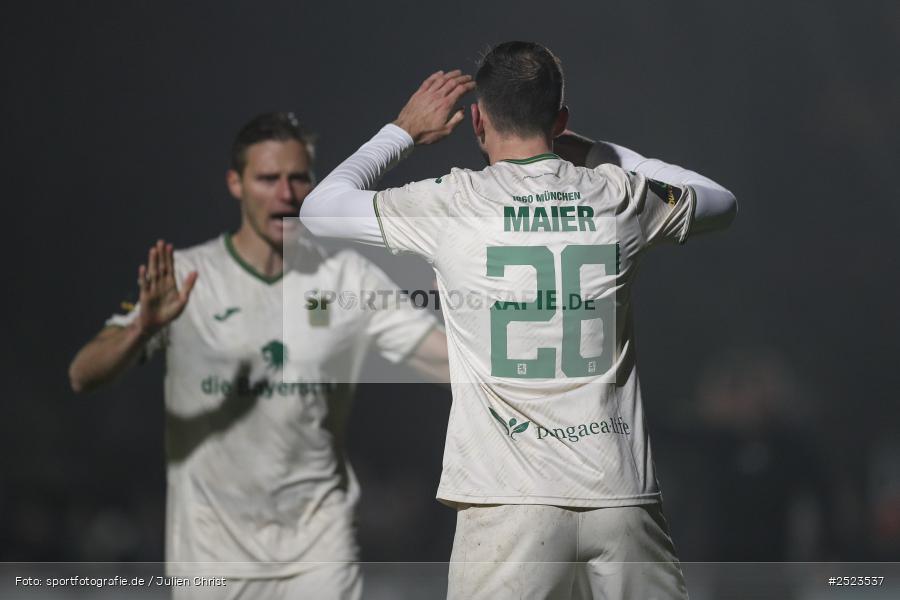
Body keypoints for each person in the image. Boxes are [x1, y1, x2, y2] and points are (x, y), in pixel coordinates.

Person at [299, 41, 736, 599]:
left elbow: (318, 209)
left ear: (478, 119)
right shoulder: (617, 194)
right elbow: (720, 202)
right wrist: (600, 151)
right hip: (619, 494)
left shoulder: (451, 203)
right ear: (559, 121)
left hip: (508, 501)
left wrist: (402, 132)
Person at [68, 112, 448, 599]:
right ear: (236, 183)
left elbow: (447, 363)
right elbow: (82, 374)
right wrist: (142, 328)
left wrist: (481, 318)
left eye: (298, 178)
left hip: (318, 550)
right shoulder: (187, 276)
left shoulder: (348, 276)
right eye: (268, 178)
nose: (286, 194)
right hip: (210, 554)